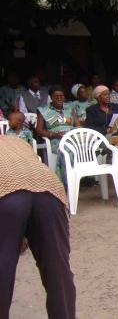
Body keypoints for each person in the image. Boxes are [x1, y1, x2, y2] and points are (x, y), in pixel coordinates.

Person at [0, 136, 76, 319]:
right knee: (57, 267)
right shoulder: (17, 141)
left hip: (5, 192)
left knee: (2, 267)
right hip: (48, 190)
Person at [36, 85, 80, 182]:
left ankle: (84, 177)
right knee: (67, 150)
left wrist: (75, 132)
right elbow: (39, 130)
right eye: (56, 96)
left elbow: (77, 125)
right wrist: (54, 135)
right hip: (56, 139)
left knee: (86, 147)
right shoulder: (44, 110)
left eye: (61, 96)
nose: (59, 98)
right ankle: (68, 181)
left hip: (72, 137)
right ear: (51, 98)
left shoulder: (69, 108)